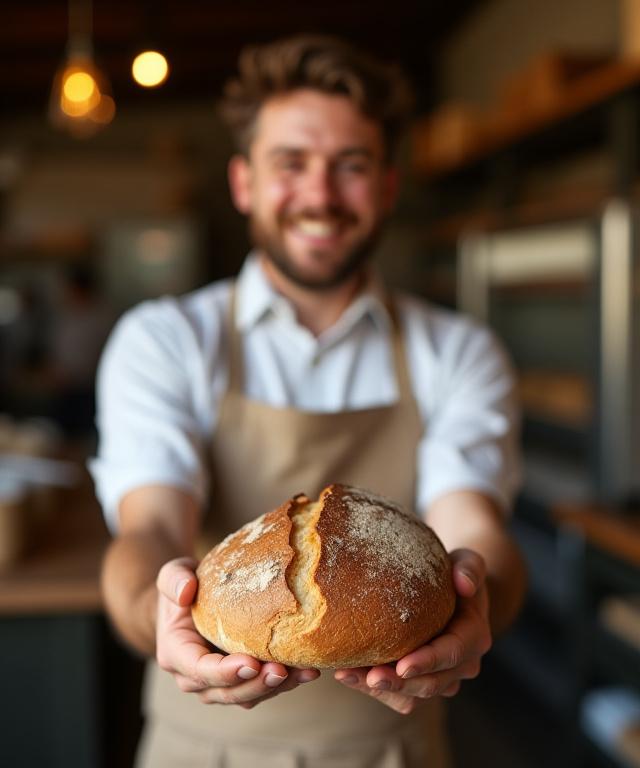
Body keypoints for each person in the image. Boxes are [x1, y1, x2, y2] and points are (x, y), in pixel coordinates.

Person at [92, 34, 526, 768]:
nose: (320, 196)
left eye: (350, 166)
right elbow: (151, 525)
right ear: (243, 182)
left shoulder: (457, 351)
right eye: (290, 163)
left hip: (395, 745)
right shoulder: (166, 339)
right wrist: (155, 613)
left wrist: (478, 599)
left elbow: (474, 525)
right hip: (201, 746)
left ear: (387, 186)